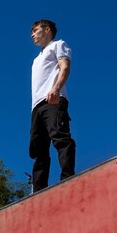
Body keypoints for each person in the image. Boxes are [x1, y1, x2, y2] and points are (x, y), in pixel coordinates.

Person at [29, 19, 76, 192]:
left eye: (35, 30)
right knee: (38, 150)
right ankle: (39, 190)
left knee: (60, 137)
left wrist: (55, 89)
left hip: (53, 100)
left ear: (47, 30)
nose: (32, 35)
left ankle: (68, 179)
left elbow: (65, 67)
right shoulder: (36, 59)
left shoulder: (58, 45)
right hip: (37, 106)